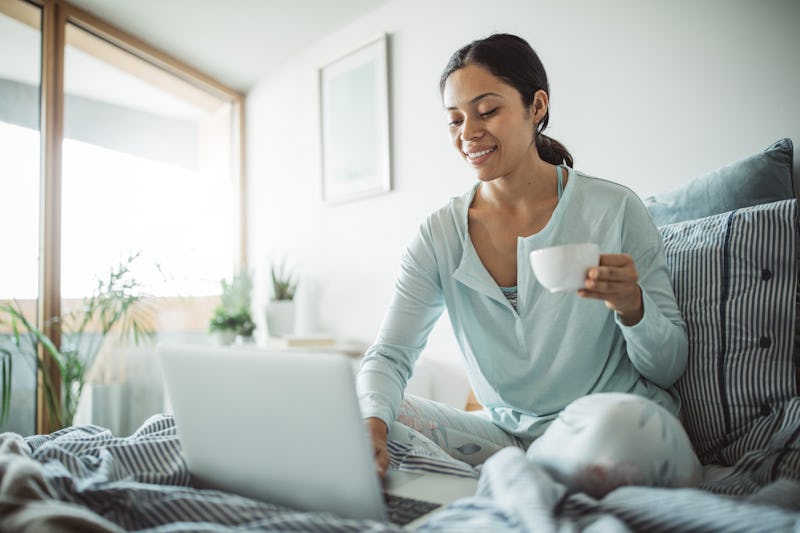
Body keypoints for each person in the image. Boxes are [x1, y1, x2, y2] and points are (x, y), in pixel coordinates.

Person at [356, 33, 701, 496]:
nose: (468, 133)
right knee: (367, 411)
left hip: (608, 427)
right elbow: (390, 356)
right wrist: (371, 424)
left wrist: (632, 306)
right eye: (455, 120)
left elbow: (669, 366)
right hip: (509, 441)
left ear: (536, 106)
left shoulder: (613, 208)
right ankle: (527, 479)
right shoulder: (438, 235)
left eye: (487, 111)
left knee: (623, 430)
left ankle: (521, 483)